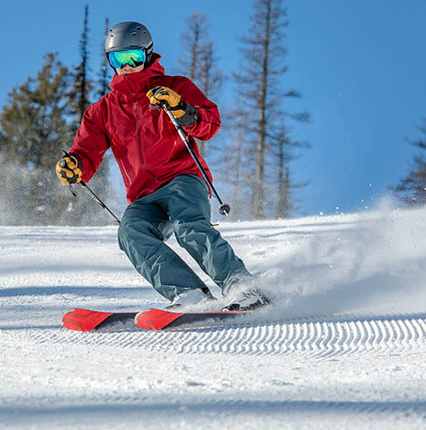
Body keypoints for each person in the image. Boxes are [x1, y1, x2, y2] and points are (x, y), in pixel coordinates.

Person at [55, 20, 267, 311]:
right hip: (143, 194)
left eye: (134, 57)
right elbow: (87, 151)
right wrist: (75, 165)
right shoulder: (102, 111)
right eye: (119, 59)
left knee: (188, 226)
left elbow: (210, 124)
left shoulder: (174, 88)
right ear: (110, 61)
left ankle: (242, 286)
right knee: (131, 232)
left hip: (183, 178)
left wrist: (181, 108)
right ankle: (189, 293)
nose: (127, 65)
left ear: (148, 55)